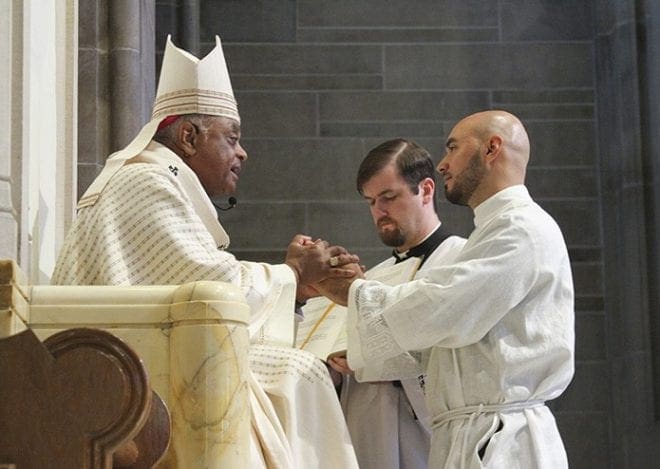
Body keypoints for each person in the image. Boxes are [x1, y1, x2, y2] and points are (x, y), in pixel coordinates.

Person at [52, 36, 359, 468]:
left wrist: (298, 285)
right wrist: (292, 273)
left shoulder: (159, 181)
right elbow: (209, 289)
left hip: (137, 363)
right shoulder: (145, 183)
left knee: (299, 371)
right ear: (189, 136)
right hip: (115, 375)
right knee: (298, 374)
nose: (242, 152)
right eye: (232, 138)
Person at [318, 110, 575, 468]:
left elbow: (445, 307)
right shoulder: (494, 230)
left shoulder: (521, 228)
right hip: (470, 433)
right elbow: (456, 348)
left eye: (453, 147)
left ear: (491, 149)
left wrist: (353, 294)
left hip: (500, 440)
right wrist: (360, 353)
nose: (441, 164)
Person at [330, 138, 466, 469]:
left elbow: (455, 361)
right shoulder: (371, 278)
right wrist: (332, 366)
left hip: (428, 439)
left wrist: (368, 360)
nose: (379, 211)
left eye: (389, 197)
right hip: (369, 437)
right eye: (371, 201)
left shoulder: (462, 261)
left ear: (427, 190)